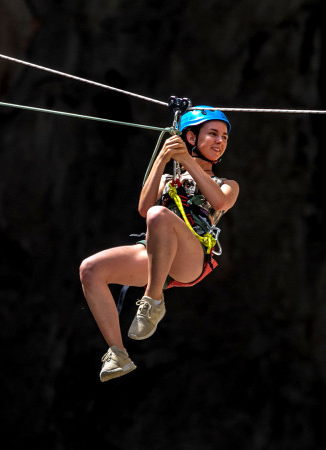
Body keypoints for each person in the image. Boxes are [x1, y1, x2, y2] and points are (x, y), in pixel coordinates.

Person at [79, 107, 239, 382]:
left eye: (224, 136)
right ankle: (117, 353)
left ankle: (153, 300)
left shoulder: (226, 184)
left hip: (192, 257)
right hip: (156, 254)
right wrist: (163, 158)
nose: (220, 141)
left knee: (159, 215)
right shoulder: (169, 179)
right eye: (212, 134)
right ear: (191, 137)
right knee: (90, 269)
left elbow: (219, 202)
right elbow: (143, 207)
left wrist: (187, 161)